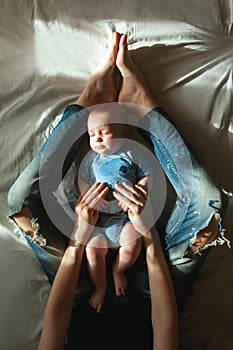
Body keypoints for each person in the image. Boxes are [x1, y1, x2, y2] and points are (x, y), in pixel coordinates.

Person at [7, 32, 230, 349]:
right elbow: (164, 321)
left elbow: (56, 316)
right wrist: (146, 230)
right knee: (212, 205)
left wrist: (80, 235)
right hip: (153, 292)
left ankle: (83, 110)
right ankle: (145, 110)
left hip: (79, 288)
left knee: (20, 203)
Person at [75, 104, 155, 313]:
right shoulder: (91, 159)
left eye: (104, 132)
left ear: (125, 133)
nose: (97, 139)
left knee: (132, 242)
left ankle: (118, 270)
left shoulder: (133, 152)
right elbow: (81, 179)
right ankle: (100, 286)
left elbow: (148, 174)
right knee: (92, 250)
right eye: (92, 135)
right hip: (101, 222)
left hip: (126, 218)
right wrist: (87, 195)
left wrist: (141, 191)